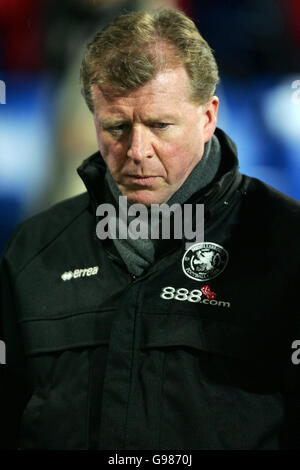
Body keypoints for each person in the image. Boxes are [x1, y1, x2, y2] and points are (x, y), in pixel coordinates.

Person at [1, 8, 300, 450]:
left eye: (160, 125)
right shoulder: (34, 251)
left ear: (208, 116)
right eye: (117, 127)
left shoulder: (287, 245)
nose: (137, 151)